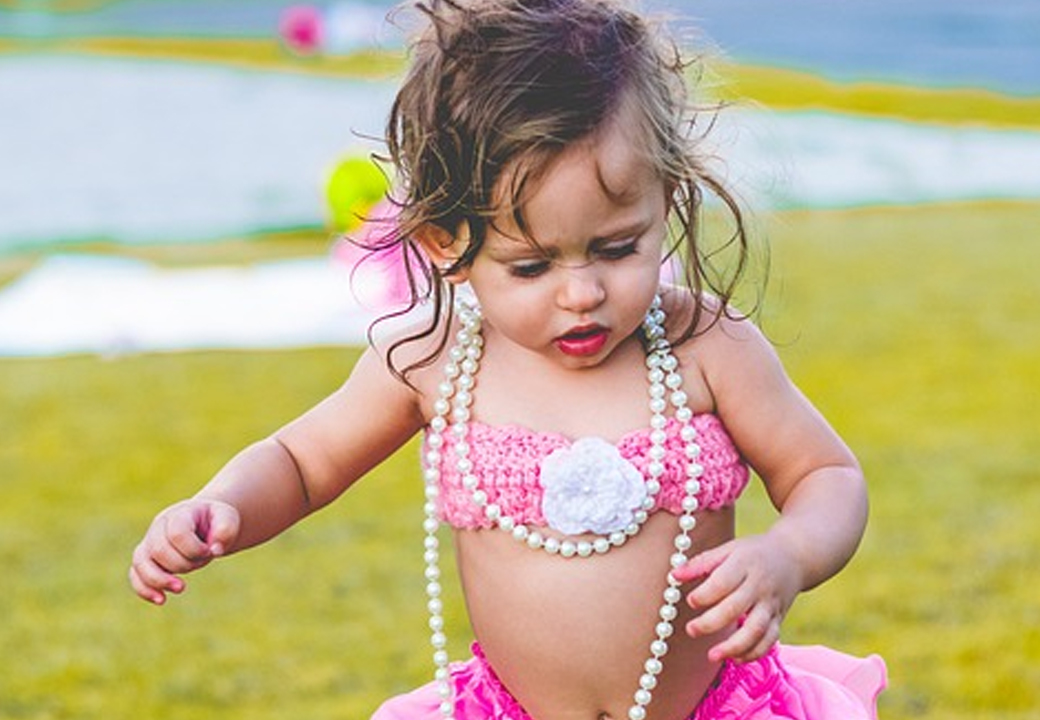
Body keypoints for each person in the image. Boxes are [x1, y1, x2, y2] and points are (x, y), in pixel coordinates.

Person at [128, 1, 887, 718]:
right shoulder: (434, 363)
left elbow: (826, 474)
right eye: (530, 266)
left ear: (665, 197)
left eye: (618, 248)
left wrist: (788, 554)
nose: (582, 293)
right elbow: (300, 462)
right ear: (447, 243)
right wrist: (224, 505)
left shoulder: (706, 347)